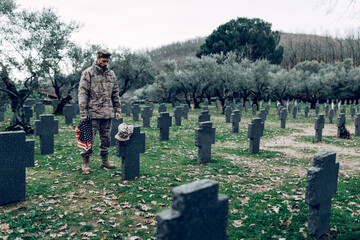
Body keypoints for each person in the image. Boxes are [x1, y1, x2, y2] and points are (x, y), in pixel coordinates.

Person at [78, 49, 121, 174]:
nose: (105, 64)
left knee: (106, 138)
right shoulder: (88, 73)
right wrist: (83, 112)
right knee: (88, 138)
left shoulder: (111, 74)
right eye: (103, 61)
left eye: (107, 61)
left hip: (107, 112)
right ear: (97, 58)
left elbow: (115, 93)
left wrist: (117, 109)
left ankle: (105, 161)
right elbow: (83, 93)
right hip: (92, 112)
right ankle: (85, 163)